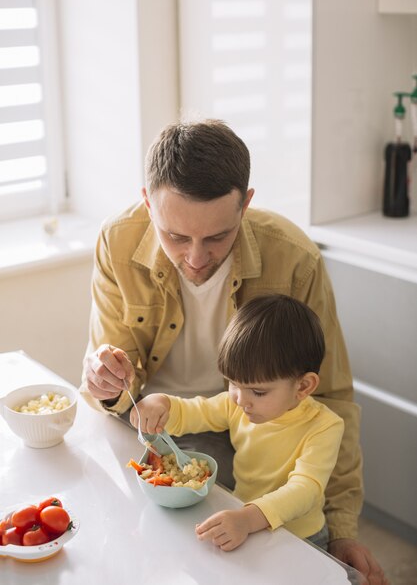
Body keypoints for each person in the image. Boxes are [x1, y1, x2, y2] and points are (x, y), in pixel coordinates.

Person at [80, 119, 388, 584]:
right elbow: (113, 385)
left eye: (217, 237)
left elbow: (332, 400)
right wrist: (107, 385)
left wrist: (341, 529)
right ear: (148, 202)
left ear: (246, 204)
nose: (196, 258)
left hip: (247, 429)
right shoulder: (117, 241)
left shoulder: (295, 259)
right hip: (154, 420)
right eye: (176, 237)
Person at [131, 294, 345, 553]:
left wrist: (248, 518)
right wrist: (162, 403)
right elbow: (195, 411)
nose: (241, 400)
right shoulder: (238, 403)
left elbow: (305, 489)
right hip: (244, 520)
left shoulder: (324, 426)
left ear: (303, 386)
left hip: (302, 537)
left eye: (258, 392)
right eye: (232, 383)